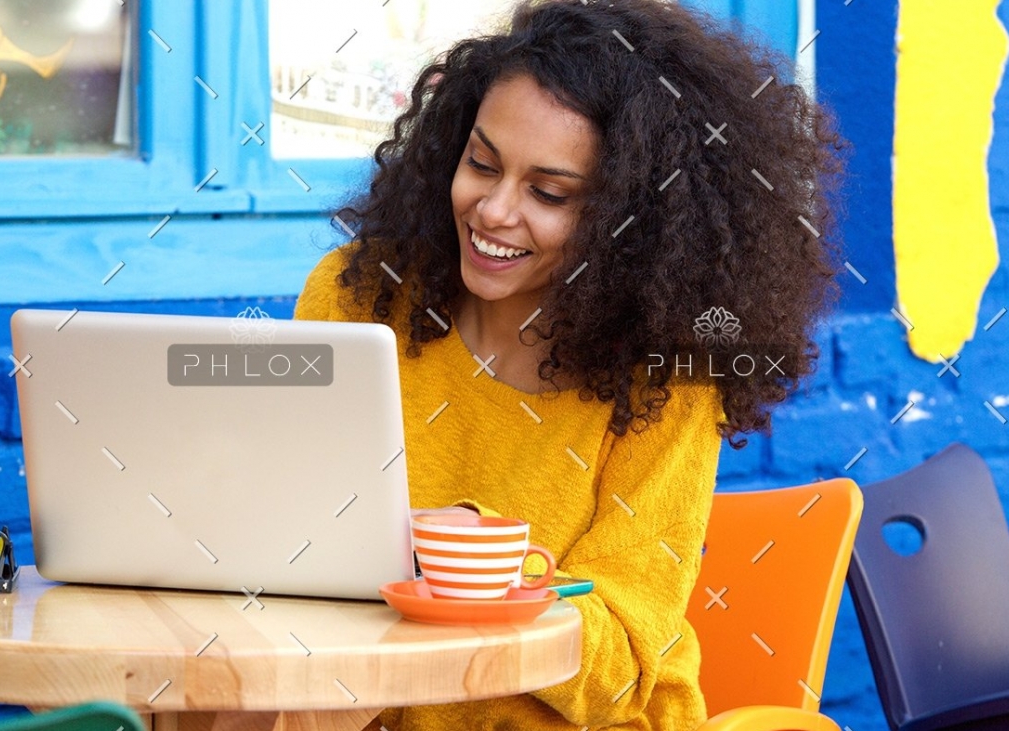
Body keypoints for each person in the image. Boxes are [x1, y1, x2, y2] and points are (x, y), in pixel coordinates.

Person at [293, 0, 844, 728]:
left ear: (632, 220)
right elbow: (292, 548)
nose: (492, 210)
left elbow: (618, 674)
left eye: (548, 193)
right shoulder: (357, 297)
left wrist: (475, 558)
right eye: (480, 163)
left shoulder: (666, 373)